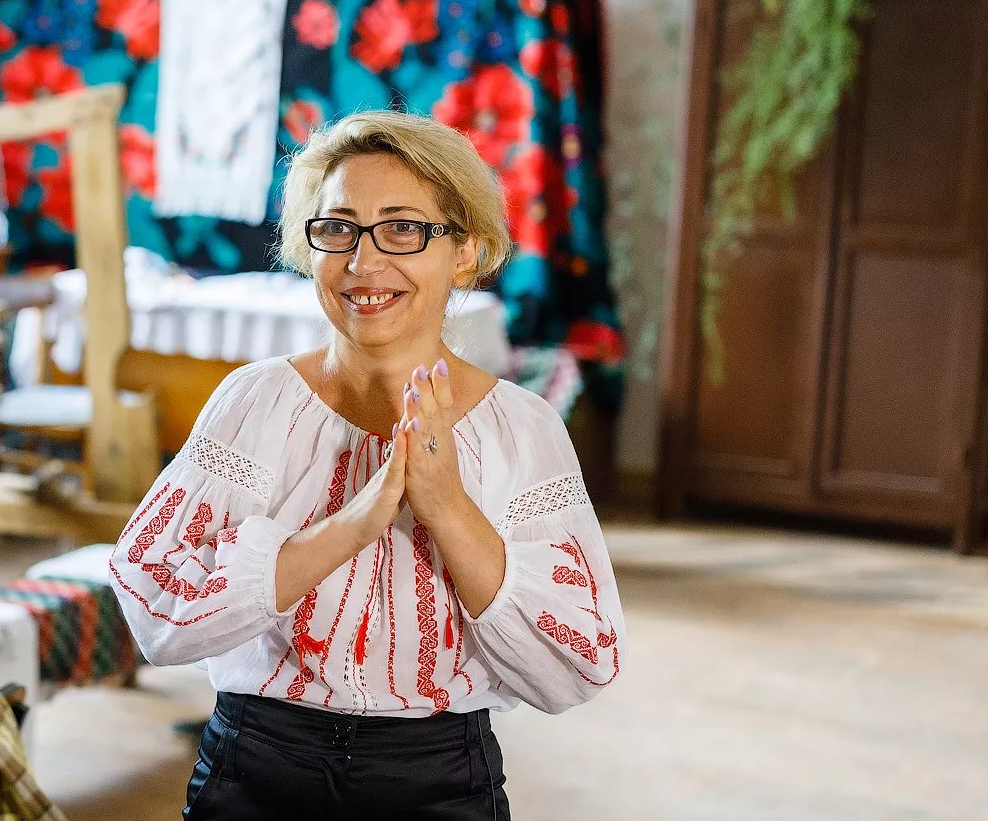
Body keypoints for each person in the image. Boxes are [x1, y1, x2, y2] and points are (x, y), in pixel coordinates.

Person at [111, 111, 624, 821]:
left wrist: (446, 507)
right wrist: (354, 524)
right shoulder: (255, 402)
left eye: (404, 229)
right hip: (255, 770)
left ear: (466, 252)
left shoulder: (522, 429)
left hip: (441, 782)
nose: (364, 261)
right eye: (338, 228)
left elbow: (577, 665)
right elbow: (157, 613)